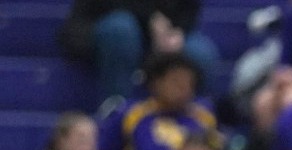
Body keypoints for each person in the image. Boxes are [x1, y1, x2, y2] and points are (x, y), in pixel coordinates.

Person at [61, 0, 224, 104]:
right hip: (109, 27)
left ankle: (195, 116)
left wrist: (178, 32)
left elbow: (188, 8)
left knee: (201, 53)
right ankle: (116, 105)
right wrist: (150, 19)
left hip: (165, 31)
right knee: (121, 29)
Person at [100, 51, 217, 150]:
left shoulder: (204, 118)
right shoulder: (131, 114)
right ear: (156, 83)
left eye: (189, 83)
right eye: (176, 82)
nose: (184, 89)